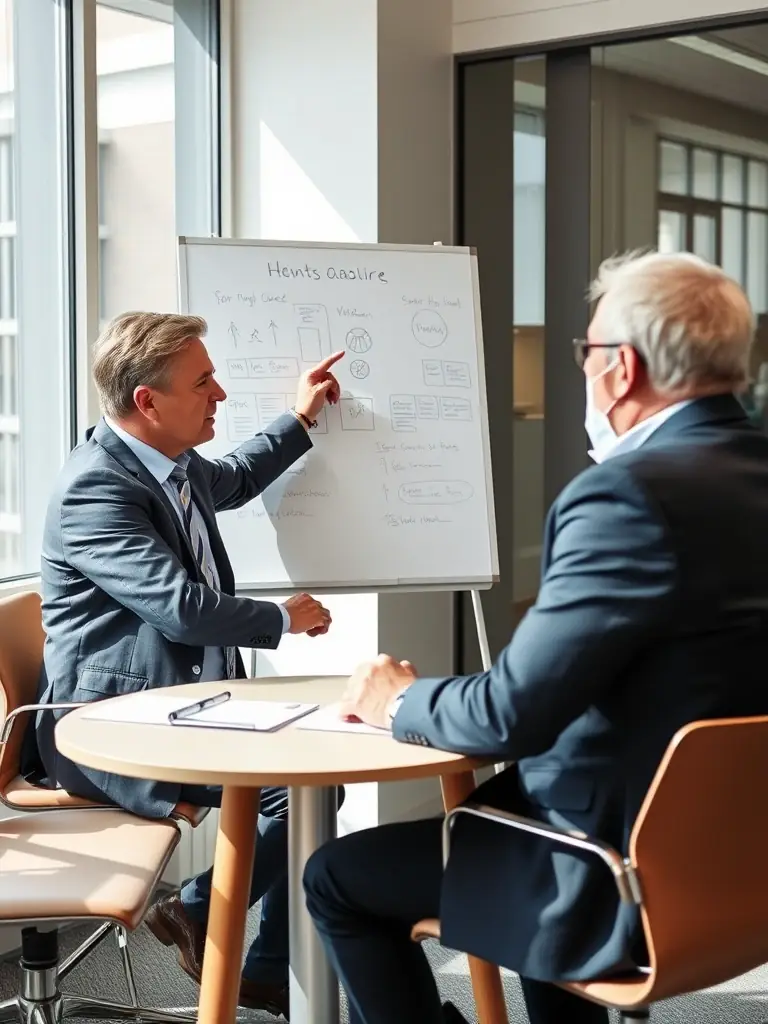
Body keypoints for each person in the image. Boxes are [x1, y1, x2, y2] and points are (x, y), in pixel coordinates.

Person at [302, 251, 768, 1024]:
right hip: (736, 859)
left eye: (587, 351)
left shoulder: (625, 498)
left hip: (608, 870)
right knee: (507, 816)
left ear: (621, 368)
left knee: (336, 879)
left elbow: (511, 716)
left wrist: (399, 698)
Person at [27, 311, 343, 1019]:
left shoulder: (169, 463)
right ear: (148, 401)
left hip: (182, 705)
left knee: (314, 784)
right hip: (108, 727)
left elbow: (233, 479)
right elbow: (182, 610)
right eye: (203, 383)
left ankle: (252, 959)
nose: (219, 395)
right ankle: (200, 912)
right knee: (300, 793)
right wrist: (283, 618)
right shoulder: (95, 490)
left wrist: (300, 418)